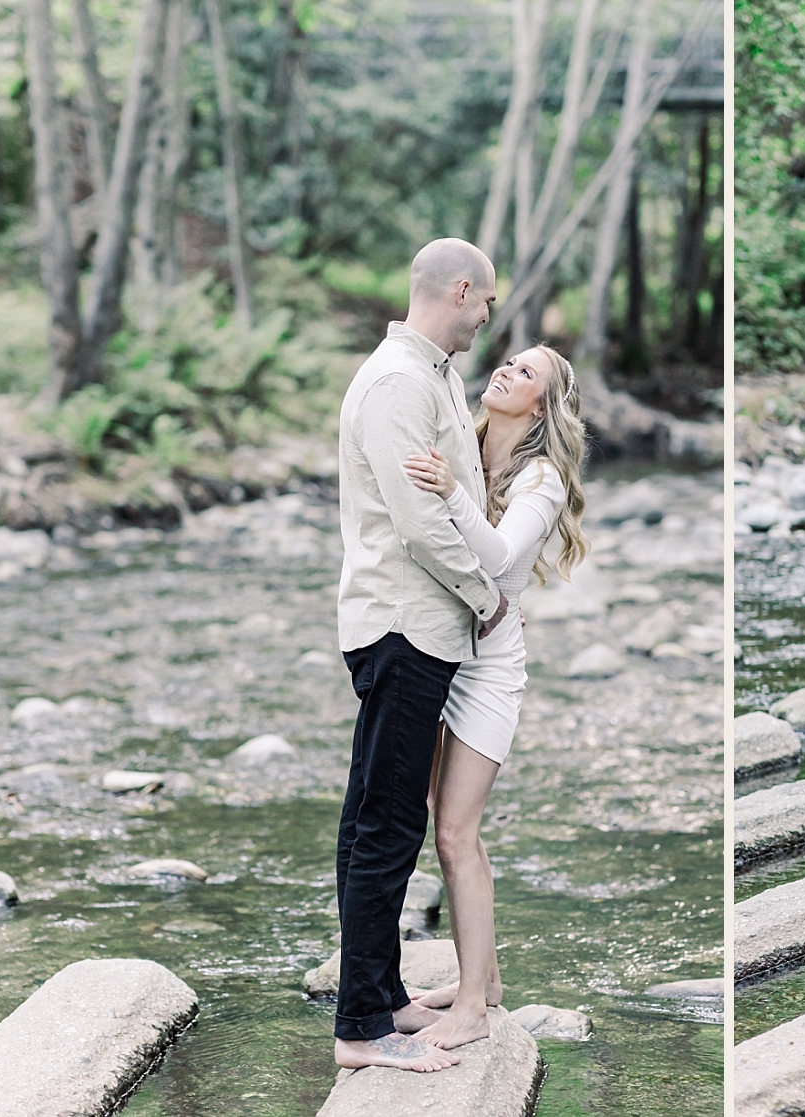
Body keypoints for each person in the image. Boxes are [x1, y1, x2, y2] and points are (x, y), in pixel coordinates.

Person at [333, 238, 504, 1074]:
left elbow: (457, 495)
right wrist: (485, 593)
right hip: (404, 625)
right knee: (388, 826)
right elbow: (417, 520)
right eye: (487, 301)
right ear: (460, 289)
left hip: (416, 628)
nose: (487, 316)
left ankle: (382, 992)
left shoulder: (435, 373)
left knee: (376, 816)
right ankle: (363, 1029)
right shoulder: (399, 382)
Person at [397, 344, 588, 1050]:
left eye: (526, 372)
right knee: (438, 821)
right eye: (506, 360)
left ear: (541, 404)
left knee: (455, 830)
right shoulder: (467, 446)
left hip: (488, 667)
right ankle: (488, 979)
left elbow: (502, 560)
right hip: (441, 645)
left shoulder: (541, 477)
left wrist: (449, 490)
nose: (506, 369)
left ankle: (475, 1005)